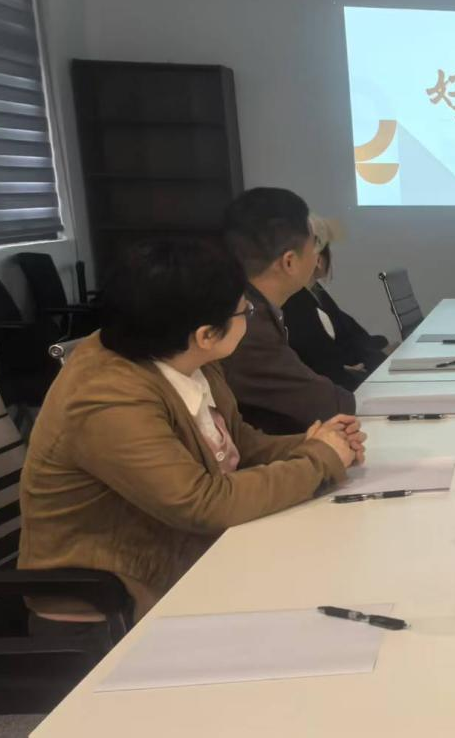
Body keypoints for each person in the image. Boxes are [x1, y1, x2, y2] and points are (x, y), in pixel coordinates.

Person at [19, 237, 366, 631]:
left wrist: (316, 442)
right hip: (112, 614)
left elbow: (239, 445)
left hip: (183, 565)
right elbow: (203, 504)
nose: (249, 318)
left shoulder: (181, 354)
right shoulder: (106, 395)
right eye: (245, 311)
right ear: (206, 334)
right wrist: (320, 460)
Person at [222, 188, 356, 435]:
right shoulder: (247, 324)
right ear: (289, 262)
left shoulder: (250, 307)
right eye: (315, 245)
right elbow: (326, 405)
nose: (317, 258)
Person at [283, 215, 388, 391]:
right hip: (340, 388)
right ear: (318, 258)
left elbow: (350, 332)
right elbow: (323, 363)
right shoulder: (297, 303)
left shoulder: (315, 293)